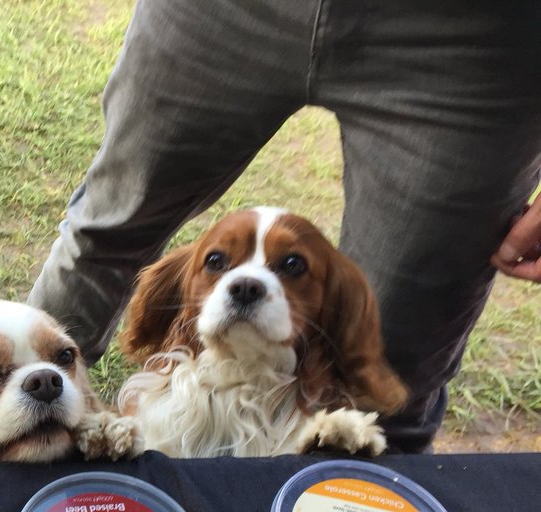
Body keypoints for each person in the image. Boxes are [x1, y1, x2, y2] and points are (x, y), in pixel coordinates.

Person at [27, 0, 541, 453]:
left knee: (397, 368)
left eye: (291, 266)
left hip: (482, 33)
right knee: (103, 236)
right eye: (218, 263)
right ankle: (13, 443)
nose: (247, 281)